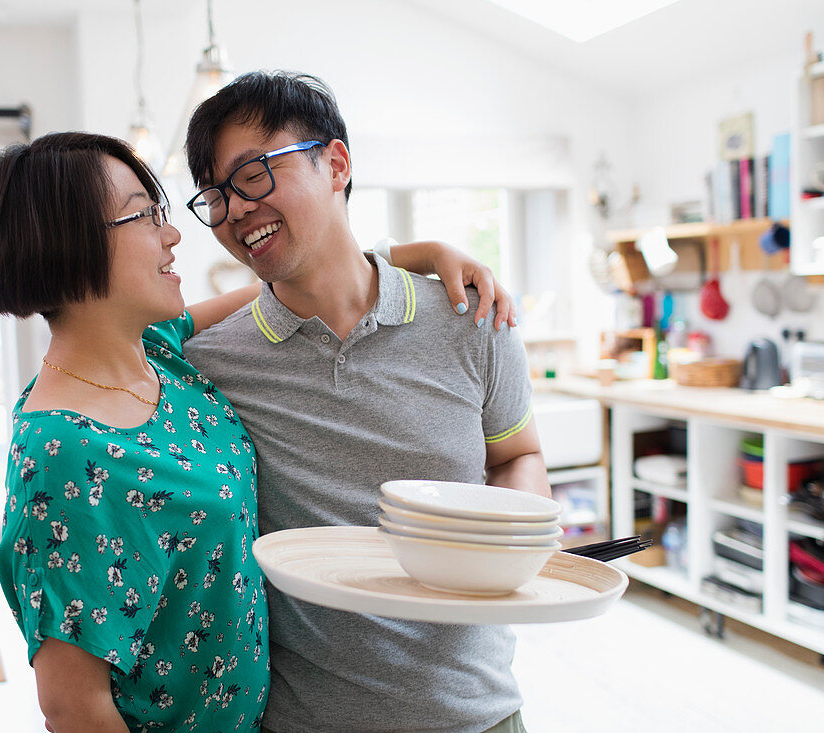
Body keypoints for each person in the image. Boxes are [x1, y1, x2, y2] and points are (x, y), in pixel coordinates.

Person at [0, 132, 515, 732]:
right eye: (145, 216)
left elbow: (297, 281)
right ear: (63, 244)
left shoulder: (158, 352)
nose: (172, 235)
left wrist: (420, 254)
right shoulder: (61, 451)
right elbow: (73, 707)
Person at [181, 71, 550, 733]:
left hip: (479, 711)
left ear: (337, 163)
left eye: (253, 175)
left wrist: (514, 535)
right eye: (214, 195)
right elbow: (119, 338)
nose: (233, 210)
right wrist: (407, 250)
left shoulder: (472, 315)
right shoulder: (214, 362)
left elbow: (519, 454)